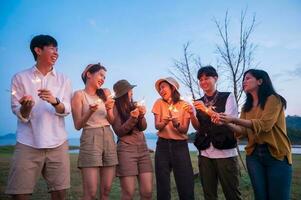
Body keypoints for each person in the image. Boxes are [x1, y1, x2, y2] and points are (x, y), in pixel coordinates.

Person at [5, 34, 72, 200]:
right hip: (28, 141)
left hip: (58, 142)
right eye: (52, 48)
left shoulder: (64, 79)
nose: (56, 52)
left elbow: (67, 109)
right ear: (38, 50)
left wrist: (55, 101)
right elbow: (19, 113)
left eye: (57, 49)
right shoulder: (20, 78)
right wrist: (26, 107)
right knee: (20, 193)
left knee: (60, 193)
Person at [217, 69, 292, 200]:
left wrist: (233, 119)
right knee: (260, 196)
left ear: (260, 81)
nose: (244, 81)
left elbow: (265, 125)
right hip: (254, 156)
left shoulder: (274, 99)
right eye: (243, 79)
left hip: (277, 155)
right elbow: (242, 131)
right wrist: (225, 122)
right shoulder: (246, 107)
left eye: (247, 78)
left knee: (278, 196)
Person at [185, 66, 242, 200]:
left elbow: (230, 121)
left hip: (225, 152)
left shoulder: (228, 97)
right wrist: (192, 115)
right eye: (200, 79)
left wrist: (206, 110)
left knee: (232, 194)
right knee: (209, 195)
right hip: (205, 153)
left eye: (207, 78)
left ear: (215, 78)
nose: (203, 82)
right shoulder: (198, 102)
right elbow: (198, 127)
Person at [71, 63, 118, 200]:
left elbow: (112, 121)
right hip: (90, 137)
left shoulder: (106, 93)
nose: (103, 79)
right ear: (88, 74)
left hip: (108, 136)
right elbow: (78, 125)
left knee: (106, 189)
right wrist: (90, 112)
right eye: (100, 75)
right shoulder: (79, 95)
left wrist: (109, 109)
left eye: (104, 76)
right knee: (91, 191)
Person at [152, 77, 194, 200]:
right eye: (159, 88)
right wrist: (165, 121)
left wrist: (176, 124)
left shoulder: (184, 105)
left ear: (172, 88)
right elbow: (157, 126)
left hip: (180, 147)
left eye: (163, 87)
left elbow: (184, 129)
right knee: (162, 183)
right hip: (162, 146)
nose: (161, 90)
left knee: (185, 183)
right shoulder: (158, 103)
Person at [112, 79, 153, 200]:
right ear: (124, 93)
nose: (132, 92)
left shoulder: (135, 105)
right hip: (126, 151)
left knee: (147, 192)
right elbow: (119, 131)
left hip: (143, 150)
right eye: (130, 90)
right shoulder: (115, 108)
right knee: (128, 193)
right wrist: (132, 118)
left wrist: (141, 115)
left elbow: (143, 127)